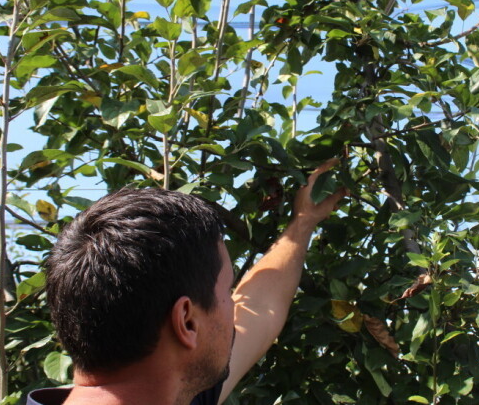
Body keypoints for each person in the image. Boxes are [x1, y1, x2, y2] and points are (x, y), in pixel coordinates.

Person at [26, 160, 345, 405]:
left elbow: (260, 308)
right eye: (226, 293)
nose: (235, 307)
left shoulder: (172, 389)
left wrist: (303, 222)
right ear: (187, 321)